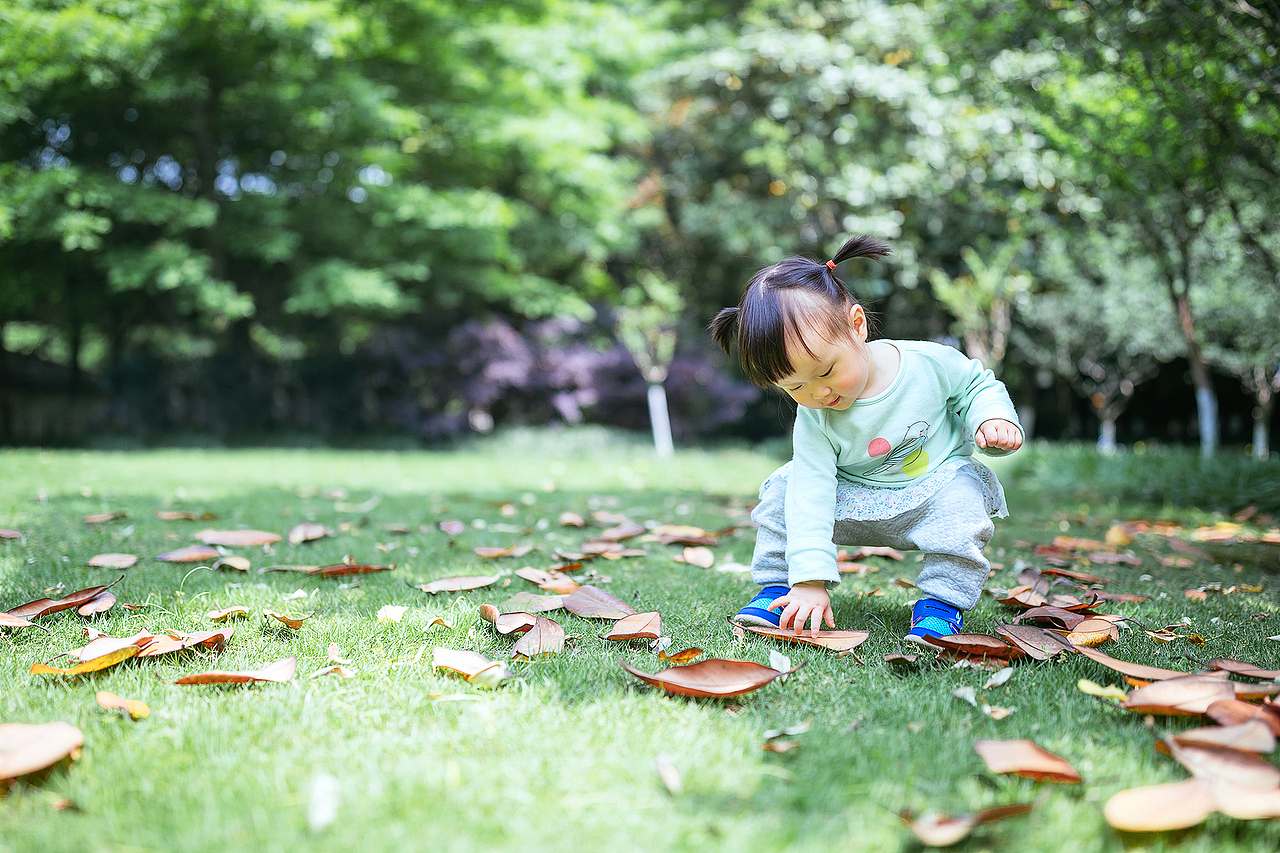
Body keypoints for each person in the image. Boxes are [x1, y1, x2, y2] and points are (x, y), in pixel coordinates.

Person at [709, 235, 1023, 645]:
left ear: (857, 327)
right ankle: (781, 591)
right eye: (794, 387)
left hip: (932, 492)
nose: (817, 394)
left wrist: (992, 416)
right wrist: (810, 579)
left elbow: (976, 384)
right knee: (784, 491)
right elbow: (812, 491)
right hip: (853, 499)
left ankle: (941, 606)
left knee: (963, 502)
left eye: (824, 372)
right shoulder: (815, 415)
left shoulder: (928, 363)